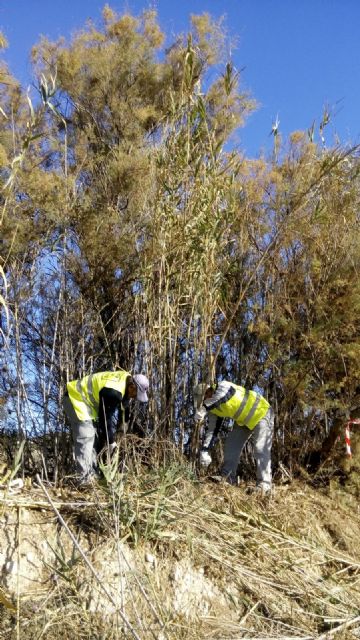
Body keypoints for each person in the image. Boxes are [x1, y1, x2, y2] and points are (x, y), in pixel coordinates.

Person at [63, 369, 149, 484]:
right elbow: (105, 419)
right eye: (135, 393)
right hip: (76, 397)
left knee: (94, 440)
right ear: (132, 386)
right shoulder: (113, 392)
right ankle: (84, 481)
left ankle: (92, 476)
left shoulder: (126, 378)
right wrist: (111, 442)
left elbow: (125, 406)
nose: (134, 397)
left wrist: (124, 429)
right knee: (86, 438)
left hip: (87, 404)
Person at [194, 380, 274, 493]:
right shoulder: (213, 409)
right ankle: (228, 479)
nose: (203, 402)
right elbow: (212, 431)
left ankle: (264, 486)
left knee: (260, 449)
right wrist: (205, 450)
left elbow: (225, 395)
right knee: (231, 445)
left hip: (262, 412)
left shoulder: (223, 386)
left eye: (204, 399)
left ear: (208, 392)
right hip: (243, 422)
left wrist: (204, 409)